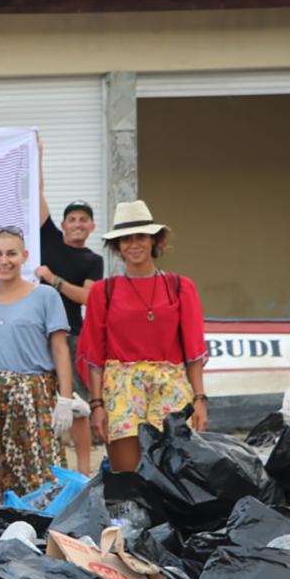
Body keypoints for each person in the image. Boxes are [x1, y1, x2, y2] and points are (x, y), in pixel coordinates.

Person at [78, 200, 208, 473]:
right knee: (128, 476)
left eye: (140, 237)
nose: (133, 244)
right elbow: (94, 356)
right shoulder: (104, 292)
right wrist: (97, 405)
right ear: (117, 246)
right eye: (125, 239)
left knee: (173, 473)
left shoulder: (180, 286)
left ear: (154, 241)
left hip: (170, 385)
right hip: (120, 388)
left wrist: (199, 400)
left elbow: (194, 351)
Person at [0, 228, 75, 506]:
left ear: (24, 256)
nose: (4, 261)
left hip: (34, 396)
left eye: (11, 253)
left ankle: (47, 531)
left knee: (42, 469)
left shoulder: (44, 296)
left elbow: (59, 347)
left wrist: (65, 398)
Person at [35, 141, 101, 475]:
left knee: (76, 406)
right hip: (36, 333)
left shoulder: (93, 260)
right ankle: (48, 469)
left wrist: (54, 280)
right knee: (41, 403)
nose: (77, 223)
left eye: (83, 220)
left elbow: (88, 298)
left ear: (91, 227)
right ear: (63, 224)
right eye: (72, 218)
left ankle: (84, 471)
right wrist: (37, 153)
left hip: (72, 337)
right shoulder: (47, 239)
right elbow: (38, 190)